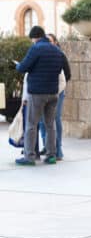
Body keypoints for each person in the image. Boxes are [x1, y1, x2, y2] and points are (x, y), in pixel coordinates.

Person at [14, 26, 66, 166]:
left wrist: (18, 65)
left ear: (35, 37)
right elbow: (61, 67)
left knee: (31, 124)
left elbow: (23, 67)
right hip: (53, 92)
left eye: (32, 39)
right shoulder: (57, 50)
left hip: (37, 93)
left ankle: (29, 157)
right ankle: (51, 155)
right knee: (50, 124)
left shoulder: (36, 48)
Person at [37, 34, 70, 160]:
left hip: (58, 92)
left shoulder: (60, 55)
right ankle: (47, 146)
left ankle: (58, 149)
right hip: (45, 91)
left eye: (50, 41)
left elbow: (67, 75)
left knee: (55, 119)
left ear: (55, 42)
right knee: (42, 121)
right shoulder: (41, 54)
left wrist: (56, 89)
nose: (47, 43)